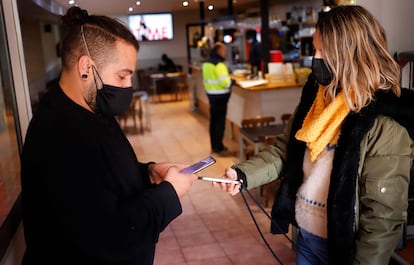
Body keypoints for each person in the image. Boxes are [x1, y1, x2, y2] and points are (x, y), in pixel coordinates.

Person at [215, 5, 414, 265]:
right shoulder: (317, 99)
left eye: (322, 51)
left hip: (344, 252)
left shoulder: (384, 123)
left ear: (349, 54)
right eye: (315, 49)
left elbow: (382, 217)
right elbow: (284, 151)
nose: (315, 58)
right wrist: (242, 175)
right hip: (305, 239)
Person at [20, 6, 197, 265]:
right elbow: (111, 236)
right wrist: (170, 194)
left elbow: (103, 173)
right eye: (122, 76)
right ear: (86, 68)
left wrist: (147, 172)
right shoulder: (60, 136)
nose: (128, 86)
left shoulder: (91, 108)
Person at [202, 42, 232, 155]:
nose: (225, 53)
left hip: (211, 95)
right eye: (224, 50)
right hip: (220, 97)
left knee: (213, 121)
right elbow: (225, 82)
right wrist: (231, 82)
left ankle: (214, 145)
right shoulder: (219, 64)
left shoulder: (206, 64)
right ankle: (219, 146)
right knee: (220, 122)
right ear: (219, 51)